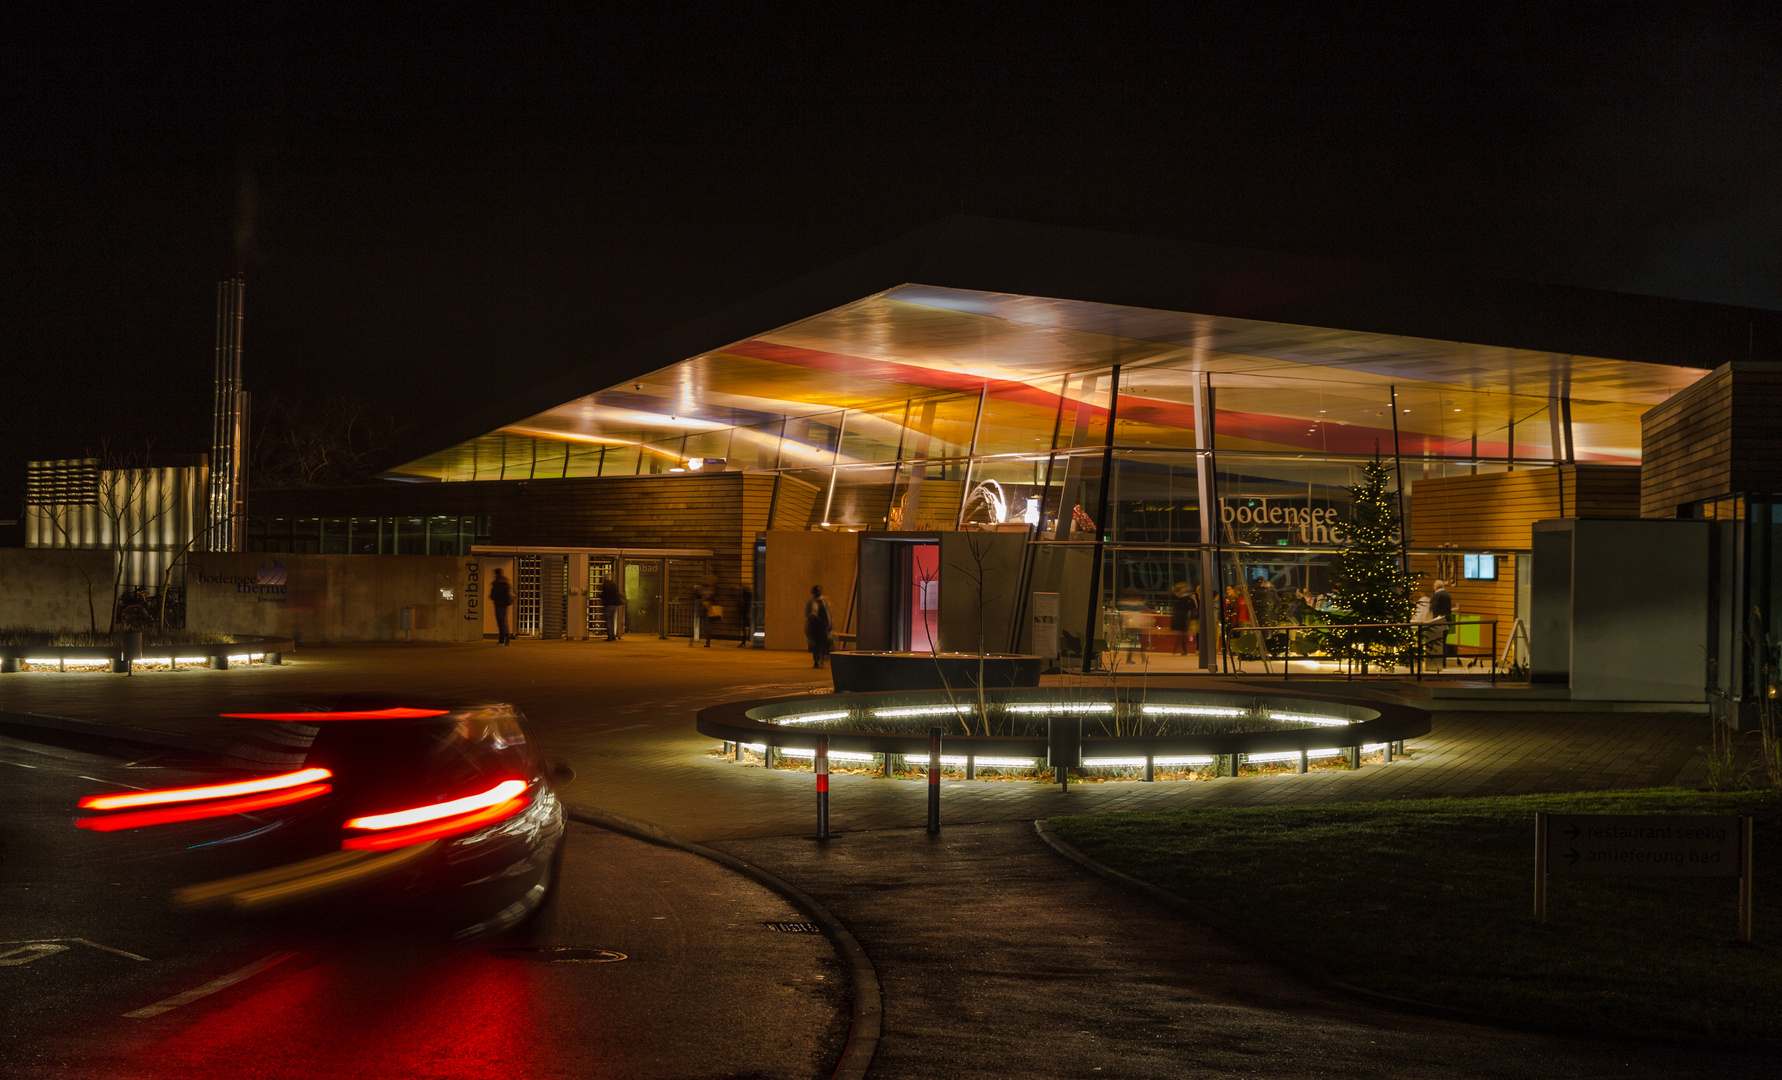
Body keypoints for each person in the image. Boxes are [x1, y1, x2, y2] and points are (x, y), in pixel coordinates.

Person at [805, 585, 834, 668]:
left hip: (824, 625)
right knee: (815, 644)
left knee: (823, 643)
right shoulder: (811, 602)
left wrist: (830, 624)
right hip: (815, 626)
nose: (818, 593)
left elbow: (829, 613)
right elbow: (807, 613)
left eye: (819, 591)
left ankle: (822, 658)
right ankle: (816, 660)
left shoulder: (825, 601)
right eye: (817, 591)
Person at [1428, 578, 1454, 667]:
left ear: (1435, 587)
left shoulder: (1436, 595)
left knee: (1437, 641)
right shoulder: (1447, 594)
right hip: (1448, 619)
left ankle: (1437, 661)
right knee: (1444, 641)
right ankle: (1444, 661)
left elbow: (1432, 608)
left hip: (1438, 620)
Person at [1169, 581, 1197, 656]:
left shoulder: (1180, 598)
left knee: (1181, 634)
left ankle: (1178, 649)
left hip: (1181, 617)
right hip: (1182, 617)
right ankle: (1181, 650)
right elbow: (1192, 607)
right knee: (1182, 634)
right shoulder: (1186, 598)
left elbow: (1192, 607)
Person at [490, 568, 514, 646]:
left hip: (498, 604)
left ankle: (501, 640)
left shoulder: (496, 583)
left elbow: (493, 595)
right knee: (504, 622)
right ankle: (507, 639)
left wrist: (494, 597)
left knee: (500, 623)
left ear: (496, 574)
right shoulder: (506, 583)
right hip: (505, 605)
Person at [599, 576, 624, 640]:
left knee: (608, 621)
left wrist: (600, 596)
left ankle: (609, 635)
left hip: (607, 606)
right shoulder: (614, 587)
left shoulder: (605, 587)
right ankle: (613, 634)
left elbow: (603, 596)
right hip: (614, 606)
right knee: (612, 621)